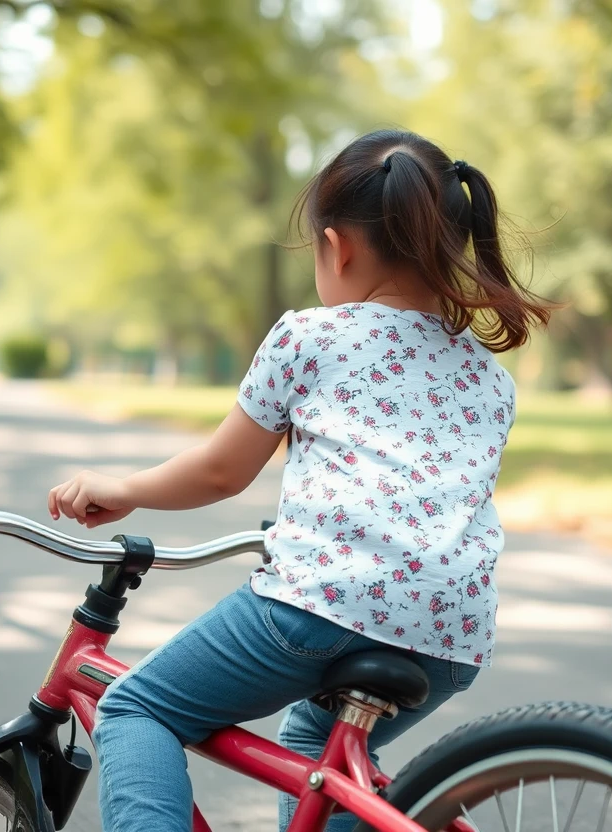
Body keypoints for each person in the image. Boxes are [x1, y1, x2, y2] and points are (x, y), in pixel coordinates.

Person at [46, 128, 551, 832]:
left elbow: (222, 471)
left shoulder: (309, 336)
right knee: (318, 749)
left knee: (136, 707)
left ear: (336, 246)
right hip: (451, 634)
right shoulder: (488, 379)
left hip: (321, 605)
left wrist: (125, 488)